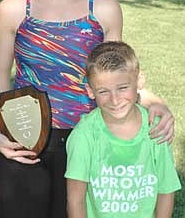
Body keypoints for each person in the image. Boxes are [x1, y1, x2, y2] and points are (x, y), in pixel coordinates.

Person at [0, 0, 174, 218]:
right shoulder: (13, 10)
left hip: (86, 142)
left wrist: (156, 102)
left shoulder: (105, 11)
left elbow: (114, 76)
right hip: (24, 141)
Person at [65, 41, 181, 218]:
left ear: (139, 81)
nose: (115, 99)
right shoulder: (84, 135)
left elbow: (166, 191)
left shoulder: (156, 129)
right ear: (90, 91)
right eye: (103, 91)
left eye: (123, 88)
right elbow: (75, 200)